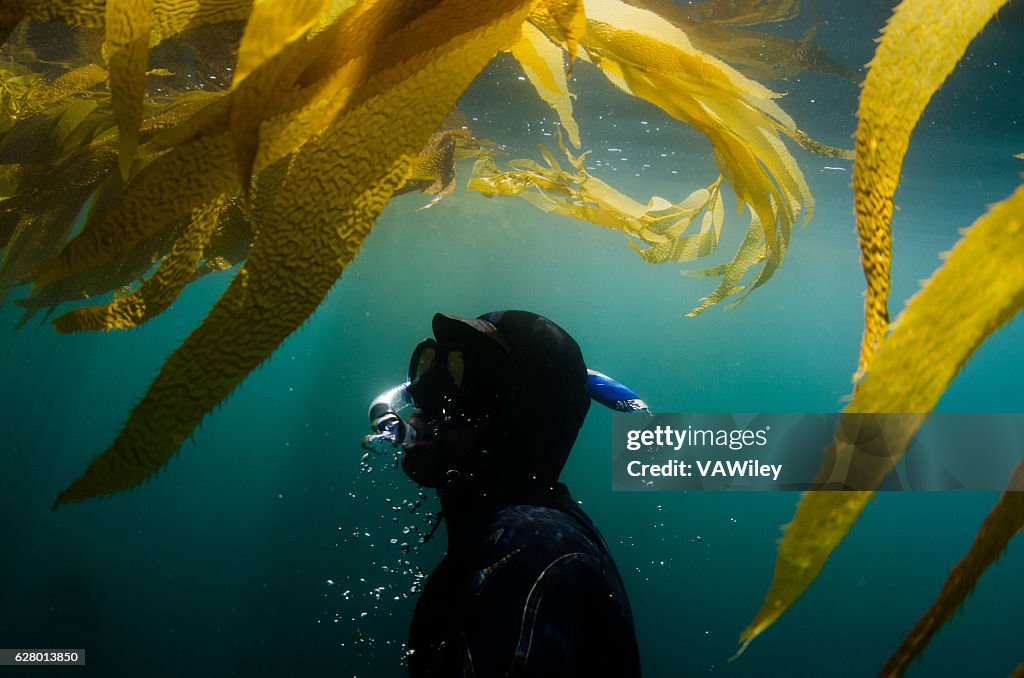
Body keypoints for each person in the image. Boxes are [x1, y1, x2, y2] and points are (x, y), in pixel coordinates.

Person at [365, 310, 643, 677]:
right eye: (431, 364)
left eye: (460, 375)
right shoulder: (530, 536)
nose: (423, 393)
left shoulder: (529, 550)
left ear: (520, 419)